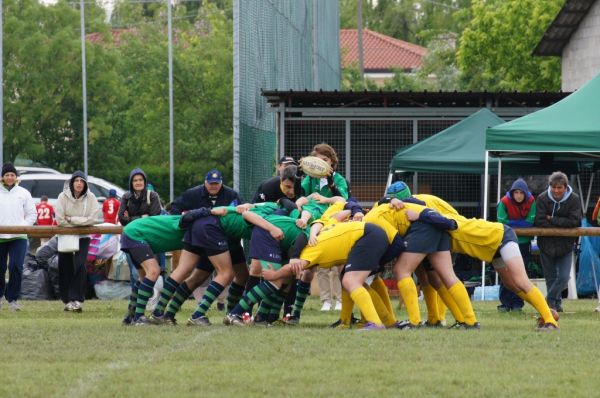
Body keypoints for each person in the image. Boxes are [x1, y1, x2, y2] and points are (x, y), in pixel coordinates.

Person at [301, 143, 349, 311]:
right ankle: (326, 301)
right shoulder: (310, 179)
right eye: (317, 160)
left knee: (337, 264)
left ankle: (340, 300)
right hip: (316, 221)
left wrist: (331, 184)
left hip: (334, 221)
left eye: (325, 159)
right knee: (321, 264)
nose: (320, 162)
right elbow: (302, 195)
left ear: (331, 161)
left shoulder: (338, 179)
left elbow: (343, 198)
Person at [534, 171, 582, 313]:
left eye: (559, 187)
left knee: (564, 277)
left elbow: (575, 221)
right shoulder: (542, 198)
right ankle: (555, 306)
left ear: (566, 187)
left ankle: (548, 300)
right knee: (550, 277)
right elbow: (539, 221)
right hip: (546, 245)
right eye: (553, 187)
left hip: (566, 245)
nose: (556, 190)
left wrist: (552, 219)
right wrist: (561, 223)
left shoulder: (574, 199)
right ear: (550, 186)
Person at [55, 171, 100, 312]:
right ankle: (67, 300)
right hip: (65, 235)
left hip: (83, 236)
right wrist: (81, 221)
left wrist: (72, 219)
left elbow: (93, 219)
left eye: (82, 181)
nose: (79, 183)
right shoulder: (62, 196)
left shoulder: (91, 197)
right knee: (65, 266)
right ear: (72, 182)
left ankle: (76, 299)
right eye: (76, 180)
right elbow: (60, 220)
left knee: (81, 266)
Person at [0, 163, 37, 311]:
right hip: (0, 236)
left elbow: (32, 213)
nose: (9, 177)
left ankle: (13, 299)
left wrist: (23, 226)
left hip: (18, 237)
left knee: (16, 267)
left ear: (16, 177)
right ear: (2, 177)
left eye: (12, 175)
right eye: (7, 175)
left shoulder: (23, 193)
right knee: (0, 268)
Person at [496, 178, 536, 312]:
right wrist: (519, 223)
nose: (518, 195)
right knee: (506, 274)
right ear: (512, 193)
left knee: (522, 275)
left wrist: (511, 223)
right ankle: (505, 303)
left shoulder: (531, 201)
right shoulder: (503, 202)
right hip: (506, 243)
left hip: (524, 243)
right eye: (516, 192)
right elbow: (501, 222)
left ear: (525, 193)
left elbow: (530, 223)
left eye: (521, 193)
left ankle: (518, 304)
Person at [118, 168, 162, 288]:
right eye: (135, 180)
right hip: (131, 238)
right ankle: (136, 302)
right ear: (131, 183)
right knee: (136, 272)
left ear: (145, 181)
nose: (138, 182)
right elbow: (122, 219)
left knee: (153, 271)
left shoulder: (152, 195)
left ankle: (143, 301)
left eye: (140, 180)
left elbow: (153, 219)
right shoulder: (126, 197)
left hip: (149, 238)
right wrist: (142, 217)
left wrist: (131, 218)